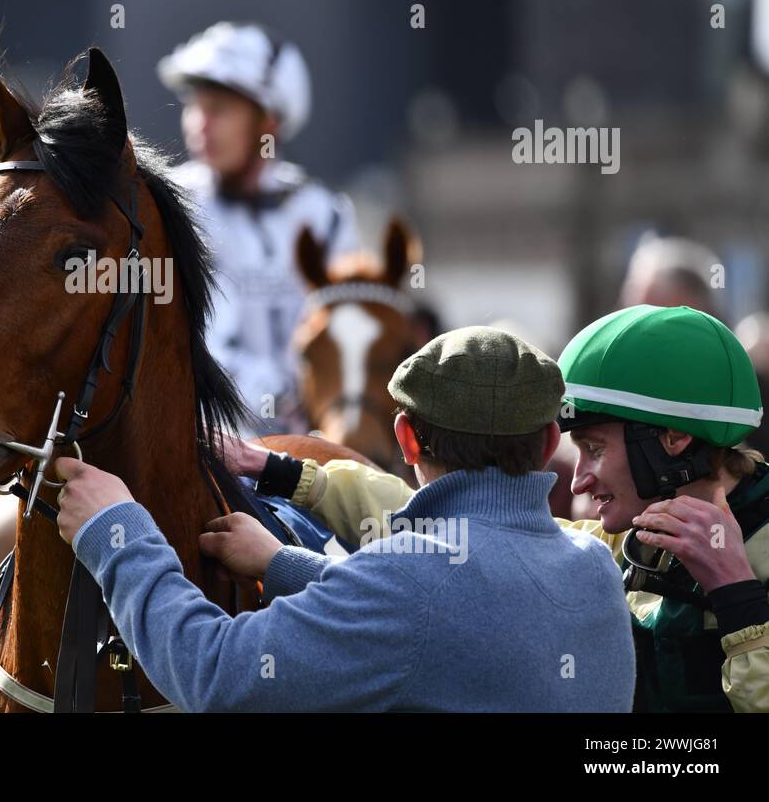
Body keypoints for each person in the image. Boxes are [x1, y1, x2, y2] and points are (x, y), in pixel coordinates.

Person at [53, 327, 636, 711]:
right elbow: (460, 623)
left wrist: (118, 532)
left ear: (406, 438)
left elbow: (214, 674)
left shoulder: (410, 580)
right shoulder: (594, 569)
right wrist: (283, 564)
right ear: (548, 444)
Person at [237, 305, 769, 712]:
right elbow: (460, 528)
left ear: (673, 439)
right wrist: (289, 474)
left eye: (596, 449)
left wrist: (739, 598)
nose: (579, 478)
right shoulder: (619, 545)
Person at [158, 22, 359, 433]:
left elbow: (345, 340)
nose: (199, 123)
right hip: (199, 444)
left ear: (268, 122)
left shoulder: (326, 215)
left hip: (311, 455)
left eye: (219, 109)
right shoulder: (167, 204)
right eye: (195, 106)